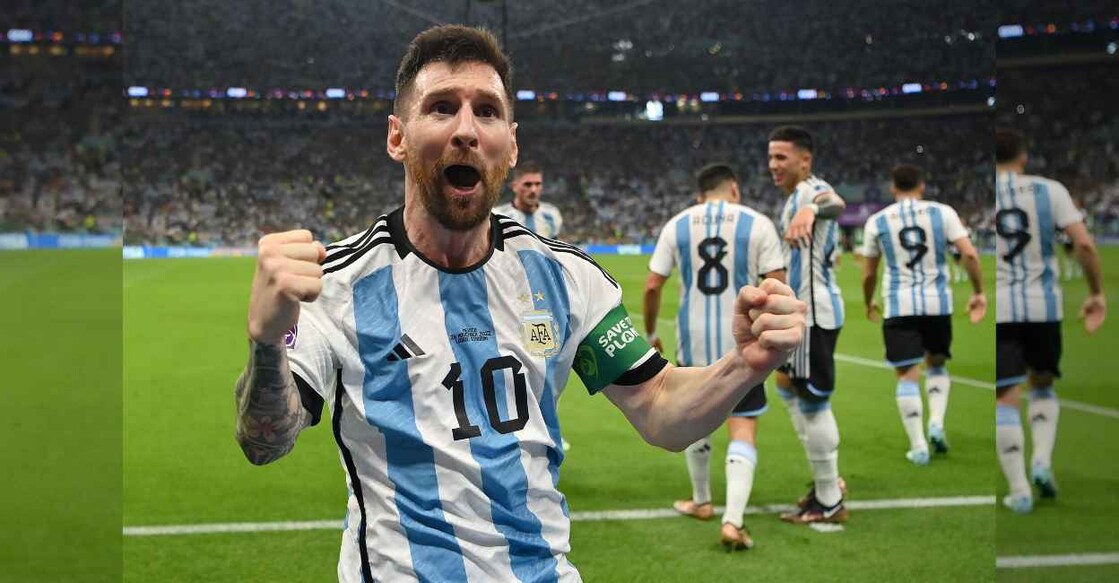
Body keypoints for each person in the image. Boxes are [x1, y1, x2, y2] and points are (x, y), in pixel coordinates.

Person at [234, 25, 807, 582]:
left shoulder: (564, 278)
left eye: (486, 110)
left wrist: (743, 366)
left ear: (511, 143)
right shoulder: (338, 284)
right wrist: (266, 343)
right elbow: (266, 439)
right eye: (440, 108)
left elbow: (659, 408)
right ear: (397, 136)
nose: (466, 130)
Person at [644, 164, 786, 551]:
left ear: (700, 194)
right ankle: (733, 521)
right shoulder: (757, 223)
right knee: (743, 426)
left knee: (696, 417)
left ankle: (702, 500)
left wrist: (652, 332)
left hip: (693, 341)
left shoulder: (678, 224)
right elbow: (777, 286)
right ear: (735, 189)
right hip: (742, 345)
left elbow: (654, 284)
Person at [994, 128, 1106, 513]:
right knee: (1042, 385)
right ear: (1023, 157)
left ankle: (1019, 489)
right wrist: (1096, 293)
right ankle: (1041, 460)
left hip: (1003, 310)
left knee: (1005, 395)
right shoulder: (1049, 189)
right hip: (1045, 306)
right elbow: (1085, 244)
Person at [860, 164, 987, 465]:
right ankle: (937, 423)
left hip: (899, 304)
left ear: (893, 188)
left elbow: (868, 274)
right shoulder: (942, 212)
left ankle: (918, 446)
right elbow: (969, 253)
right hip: (937, 304)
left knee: (906, 373)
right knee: (938, 363)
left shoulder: (877, 221)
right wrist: (978, 291)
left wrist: (868, 302)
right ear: (922, 185)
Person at [767, 125, 849, 524]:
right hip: (801, 313)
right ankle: (826, 481)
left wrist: (812, 208)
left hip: (814, 316)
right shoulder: (793, 197)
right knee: (786, 385)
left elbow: (835, 201)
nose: (773, 165)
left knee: (813, 401)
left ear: (805, 160)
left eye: (781, 157)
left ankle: (830, 499)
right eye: (770, 157)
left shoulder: (811, 190)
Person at [494, 161, 563, 239]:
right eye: (527, 184)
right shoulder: (499, 216)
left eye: (538, 184)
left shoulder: (552, 214)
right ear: (514, 187)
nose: (533, 190)